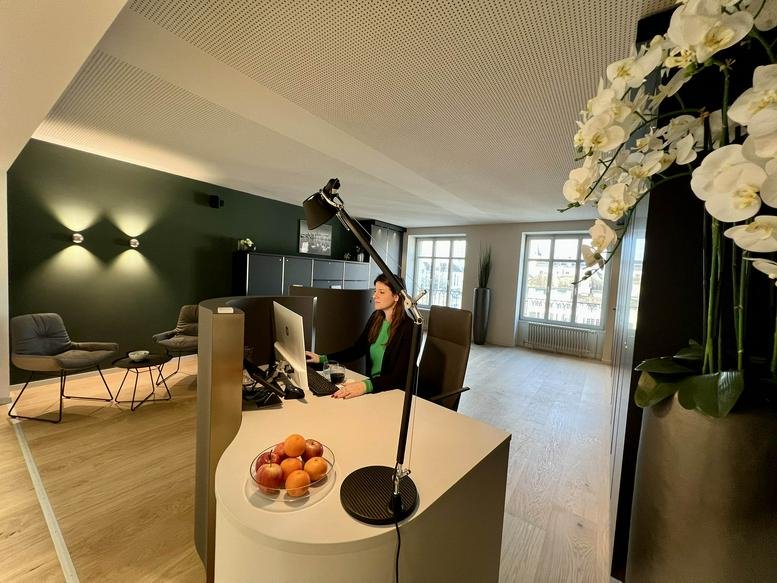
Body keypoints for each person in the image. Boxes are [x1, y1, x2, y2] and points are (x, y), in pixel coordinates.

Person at [305, 273, 414, 399]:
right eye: (375, 291)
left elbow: (399, 376)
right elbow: (356, 350)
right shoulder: (376, 318)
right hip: (374, 389)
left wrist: (364, 386)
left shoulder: (408, 328)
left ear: (396, 296)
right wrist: (322, 359)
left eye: (381, 292)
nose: (374, 296)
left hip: (392, 393)